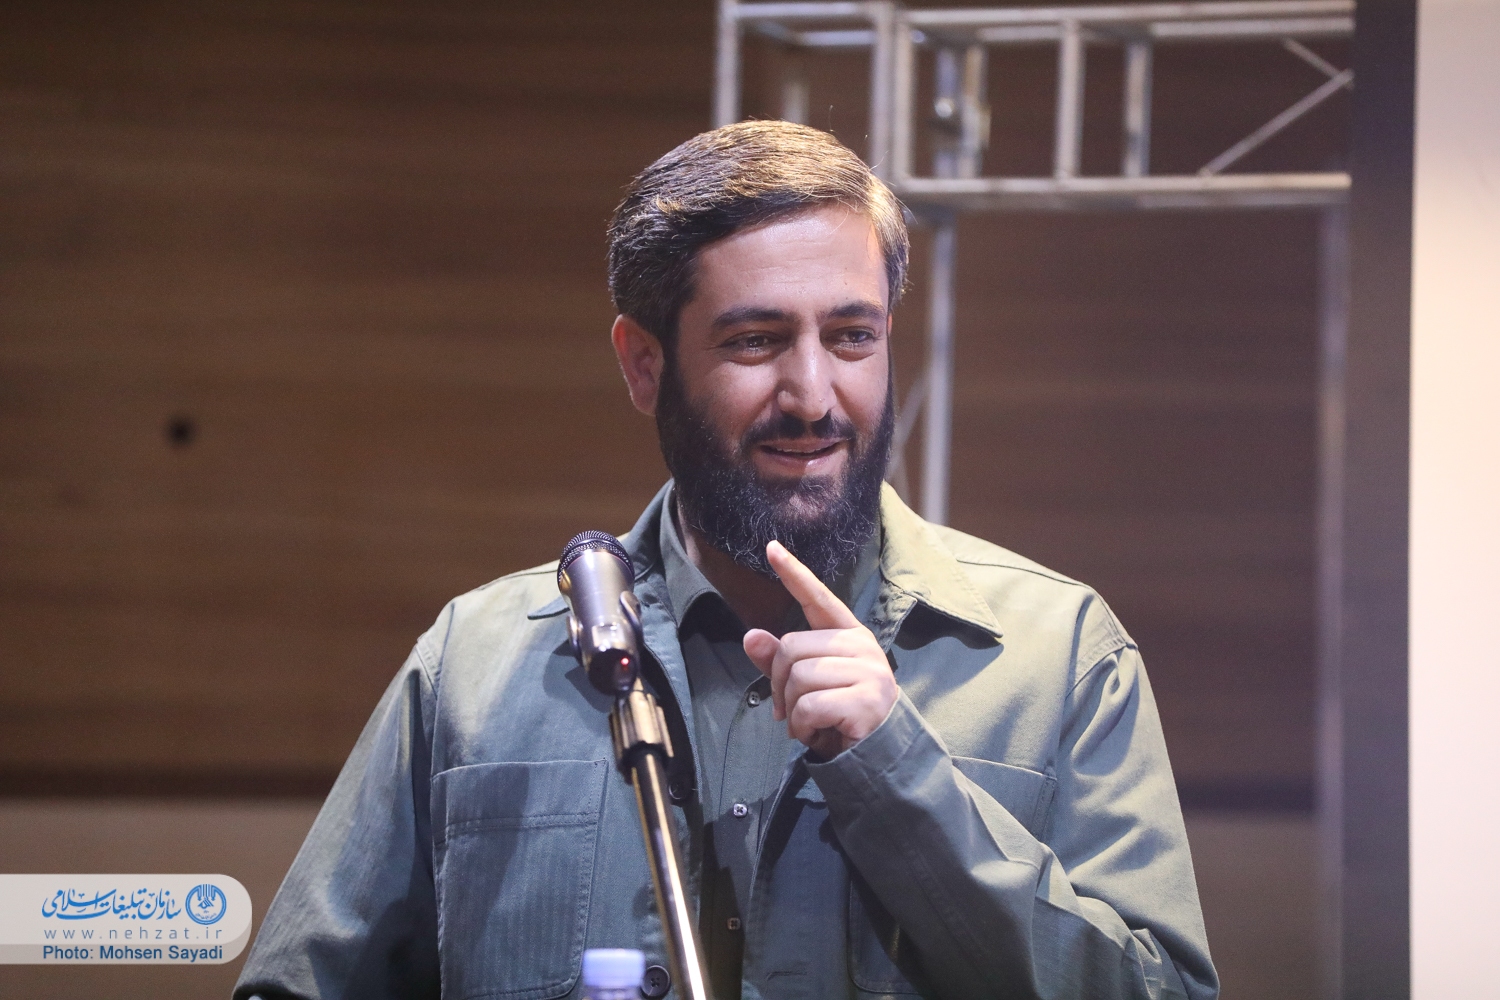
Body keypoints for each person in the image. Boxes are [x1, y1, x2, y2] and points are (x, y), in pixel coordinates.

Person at [234, 120, 1218, 1000]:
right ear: (643, 364)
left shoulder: (1058, 655)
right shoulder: (476, 665)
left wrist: (902, 775)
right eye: (756, 341)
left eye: (852, 336)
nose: (813, 395)